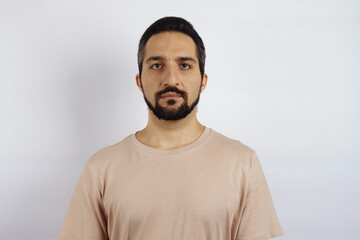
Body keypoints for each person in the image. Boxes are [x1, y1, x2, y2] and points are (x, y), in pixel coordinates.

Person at [59, 16, 283, 240]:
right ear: (139, 81)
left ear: (203, 81)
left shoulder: (243, 163)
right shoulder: (100, 168)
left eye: (184, 65)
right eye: (157, 65)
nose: (171, 78)